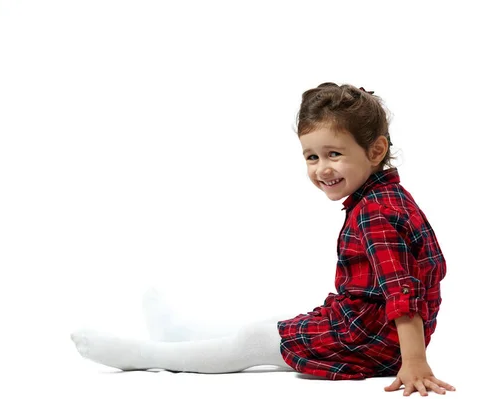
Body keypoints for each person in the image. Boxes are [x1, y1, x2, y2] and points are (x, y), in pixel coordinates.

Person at [71, 82, 456, 396]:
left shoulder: (376, 214)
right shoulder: (384, 198)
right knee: (273, 326)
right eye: (311, 157)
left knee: (257, 341)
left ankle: (144, 357)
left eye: (334, 154)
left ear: (375, 150)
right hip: (369, 330)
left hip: (371, 341)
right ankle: (180, 335)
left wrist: (414, 361)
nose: (322, 169)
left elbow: (400, 292)